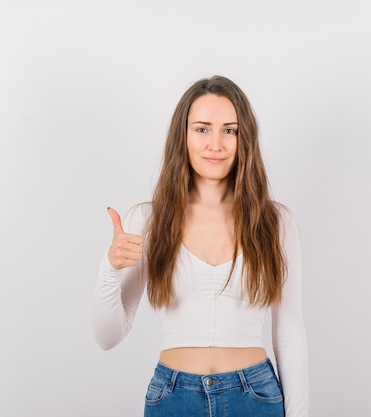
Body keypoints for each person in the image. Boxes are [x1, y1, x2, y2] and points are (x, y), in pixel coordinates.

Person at [91, 75, 308, 417]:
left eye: (229, 130)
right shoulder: (148, 220)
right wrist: (110, 269)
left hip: (255, 399)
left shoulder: (275, 222)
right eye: (202, 129)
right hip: (173, 399)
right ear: (184, 135)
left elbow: (290, 332)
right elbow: (107, 337)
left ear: (244, 138)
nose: (215, 144)